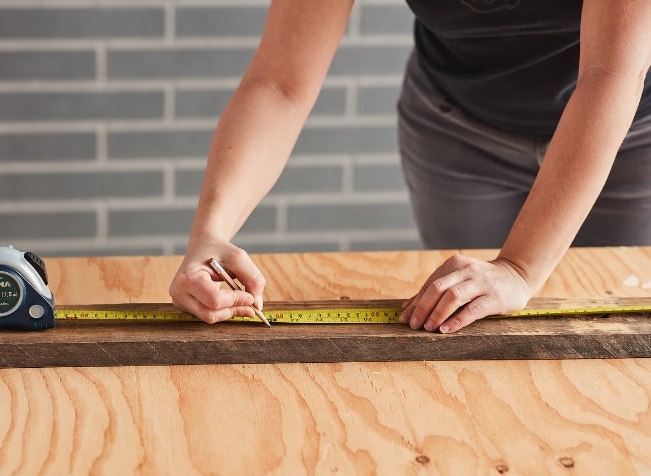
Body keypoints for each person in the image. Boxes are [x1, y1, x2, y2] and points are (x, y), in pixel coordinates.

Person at [169, 0, 651, 333]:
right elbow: (280, 82)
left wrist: (519, 269)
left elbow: (608, 73)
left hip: (630, 136)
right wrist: (209, 235)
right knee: (467, 317)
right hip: (455, 128)